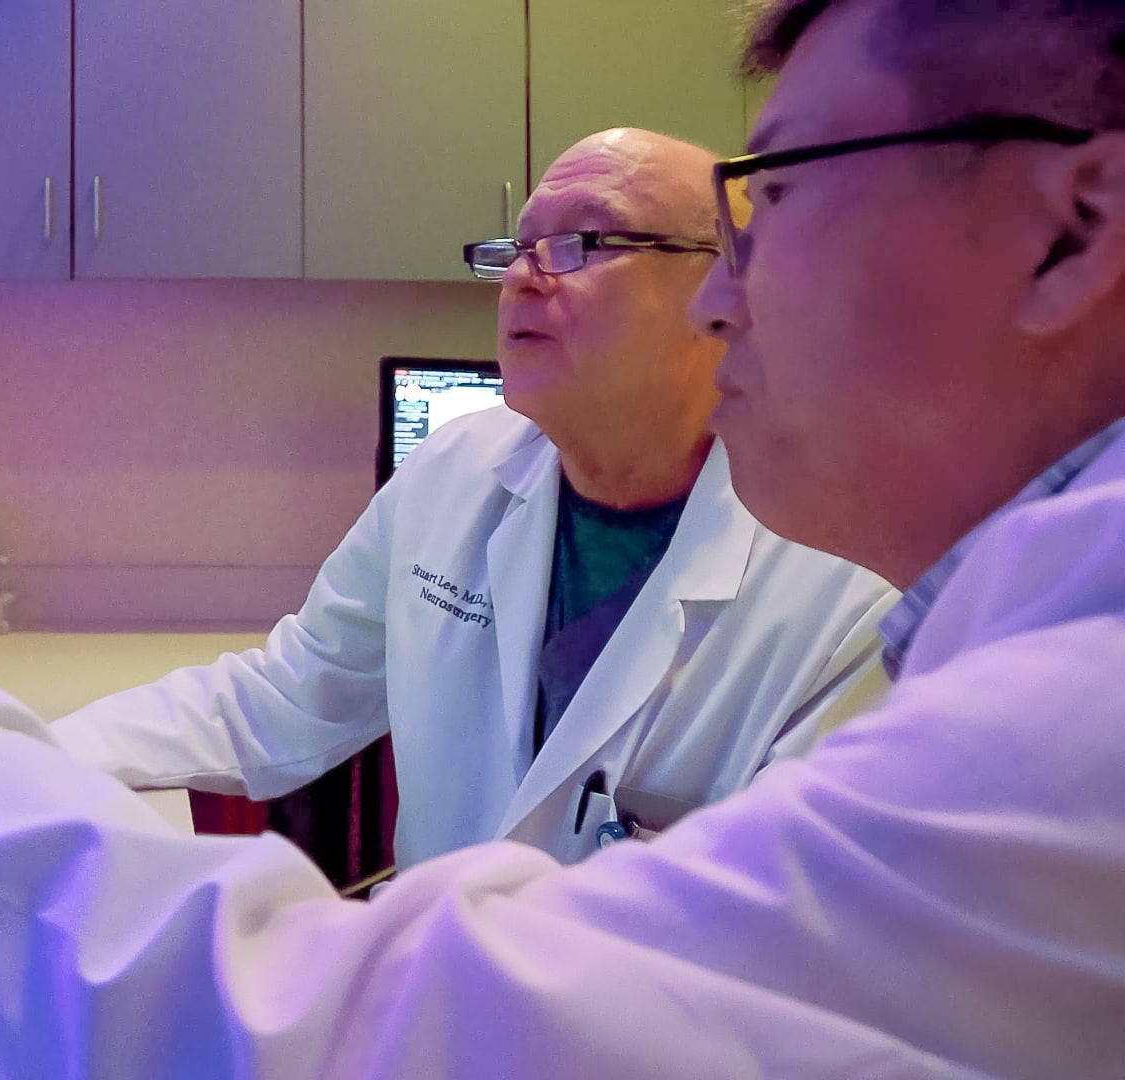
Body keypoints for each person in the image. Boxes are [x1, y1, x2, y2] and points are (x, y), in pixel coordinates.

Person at [0, 0, 1125, 1070]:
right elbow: (280, 702)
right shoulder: (471, 475)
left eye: (779, 198)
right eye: (516, 247)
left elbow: (386, 1031)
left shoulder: (1030, 698)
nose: (739, 290)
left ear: (1073, 226)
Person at [50, 128, 894, 871]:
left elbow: (789, 928)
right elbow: (286, 697)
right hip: (428, 988)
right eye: (517, 249)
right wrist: (43, 755)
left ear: (731, 289)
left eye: (582, 242)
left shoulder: (853, 593)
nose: (522, 279)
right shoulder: (454, 470)